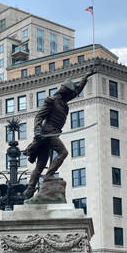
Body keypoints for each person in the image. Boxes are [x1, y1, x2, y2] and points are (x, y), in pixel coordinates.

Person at [23, 68, 95, 199]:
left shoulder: (63, 102)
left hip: (53, 134)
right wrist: (37, 131)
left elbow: (78, 90)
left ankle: (30, 189)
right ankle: (48, 176)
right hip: (47, 134)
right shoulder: (51, 100)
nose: (72, 94)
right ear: (65, 92)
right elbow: (39, 116)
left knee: (41, 164)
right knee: (63, 152)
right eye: (70, 92)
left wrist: (86, 75)